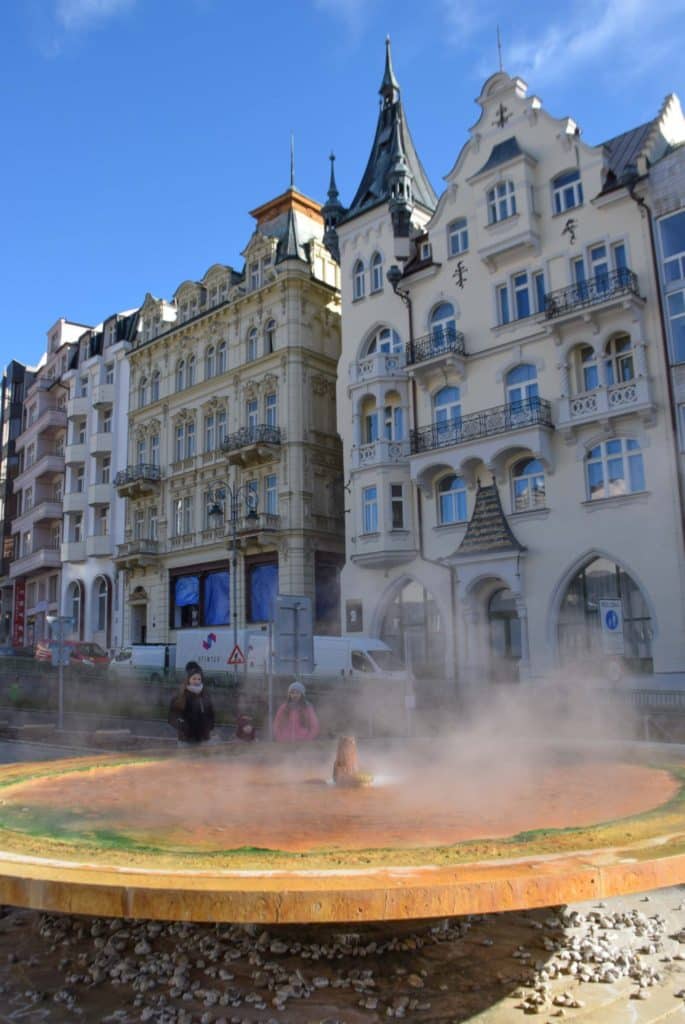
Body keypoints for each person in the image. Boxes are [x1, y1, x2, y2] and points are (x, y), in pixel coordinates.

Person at [168, 664, 215, 744]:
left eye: (199, 679)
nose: (197, 681)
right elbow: (172, 717)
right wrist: (183, 726)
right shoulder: (180, 696)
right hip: (185, 740)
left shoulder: (205, 696)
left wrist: (208, 728)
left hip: (203, 739)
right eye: (194, 679)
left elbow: (211, 715)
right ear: (188, 680)